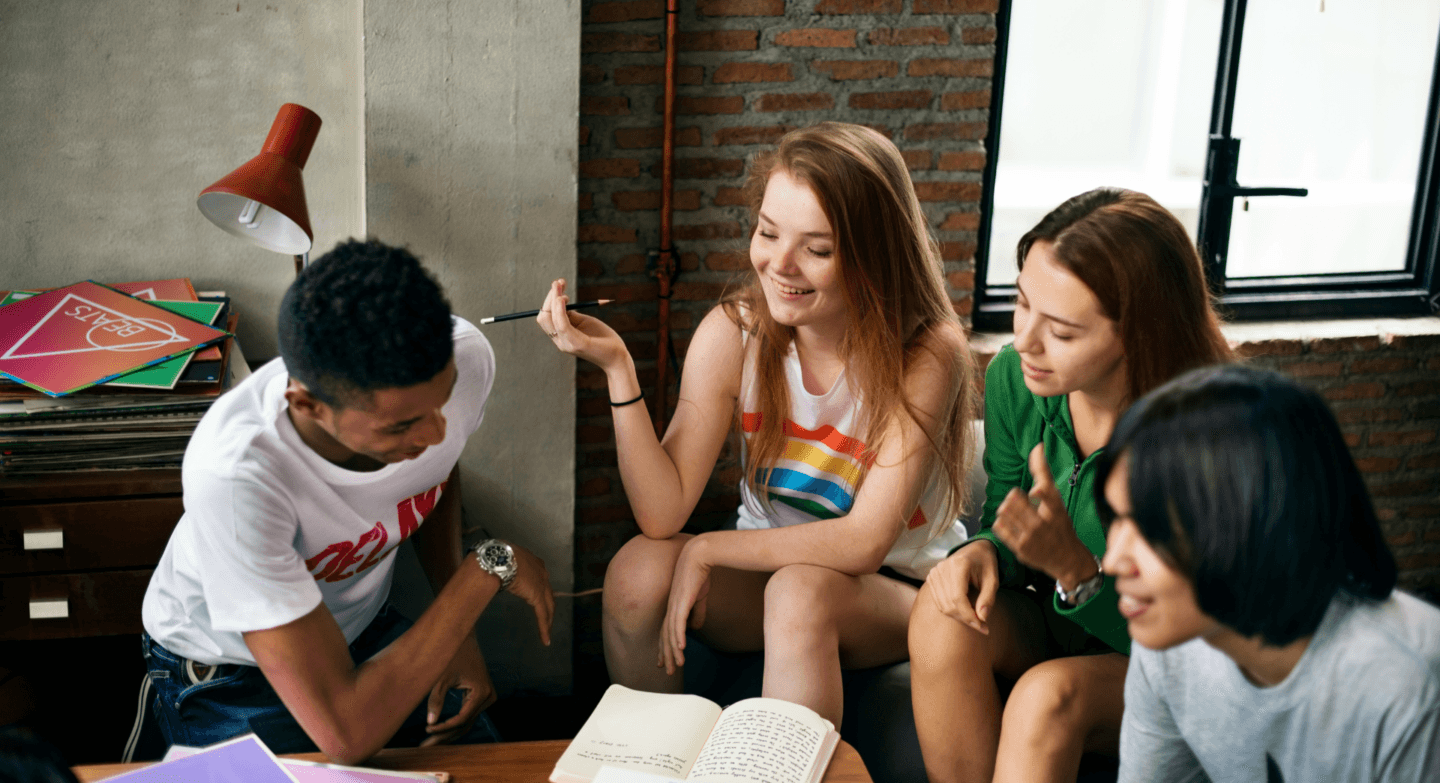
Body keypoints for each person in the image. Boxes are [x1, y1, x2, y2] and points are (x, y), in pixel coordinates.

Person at [539, 122, 979, 724]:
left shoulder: (928, 351)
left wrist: (712, 550)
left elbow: (863, 542)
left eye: (817, 249)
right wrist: (618, 370)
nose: (780, 265)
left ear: (875, 255)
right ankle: (658, 763)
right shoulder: (735, 331)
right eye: (768, 233)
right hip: (766, 576)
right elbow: (661, 514)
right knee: (638, 572)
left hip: (896, 589)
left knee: (798, 591)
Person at [139, 239, 554, 764]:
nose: (435, 434)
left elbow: (435, 477)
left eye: (441, 402)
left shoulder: (462, 357)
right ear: (307, 404)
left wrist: (453, 635)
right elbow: (348, 735)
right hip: (232, 673)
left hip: (364, 629)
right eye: (402, 425)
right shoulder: (237, 475)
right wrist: (484, 572)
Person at [908, 188, 1235, 783]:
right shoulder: (1016, 378)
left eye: (1060, 330)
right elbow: (1006, 516)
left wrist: (1077, 572)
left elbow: (1194, 643)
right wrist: (983, 551)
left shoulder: (1208, 443)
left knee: (1045, 695)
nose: (1026, 341)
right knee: (941, 610)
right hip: (1060, 626)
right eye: (1021, 303)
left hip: (1177, 665)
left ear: (1138, 333)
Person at [1099, 365, 1440, 781]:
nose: (1113, 560)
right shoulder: (1170, 641)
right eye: (1116, 520)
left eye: (1152, 531)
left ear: (1248, 523)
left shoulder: (1409, 687)